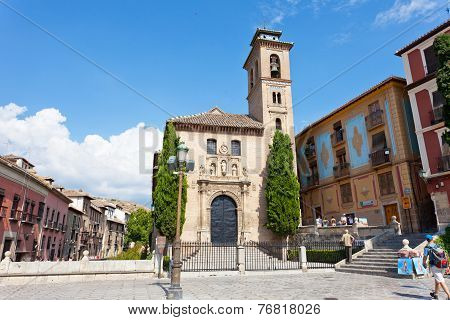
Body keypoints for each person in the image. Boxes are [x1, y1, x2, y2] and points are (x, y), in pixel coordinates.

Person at [423, 235, 450, 300]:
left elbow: (425, 257)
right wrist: (448, 265)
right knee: (437, 280)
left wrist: (424, 263)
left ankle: (449, 295)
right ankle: (436, 294)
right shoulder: (438, 246)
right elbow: (445, 255)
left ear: (427, 240)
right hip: (443, 264)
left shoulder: (427, 247)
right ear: (432, 239)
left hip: (435, 265)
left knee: (440, 280)